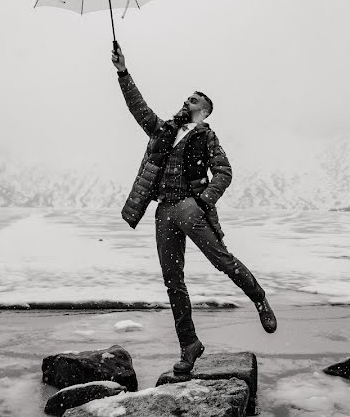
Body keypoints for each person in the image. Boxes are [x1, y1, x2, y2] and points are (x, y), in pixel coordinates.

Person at [110, 42, 276, 374]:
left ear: (205, 110)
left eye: (194, 100)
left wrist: (202, 201)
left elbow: (225, 172)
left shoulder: (206, 136)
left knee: (222, 260)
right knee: (173, 281)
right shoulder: (163, 131)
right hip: (164, 212)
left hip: (190, 207)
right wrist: (122, 71)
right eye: (187, 98)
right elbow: (138, 107)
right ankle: (189, 345)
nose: (187, 102)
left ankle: (259, 300)